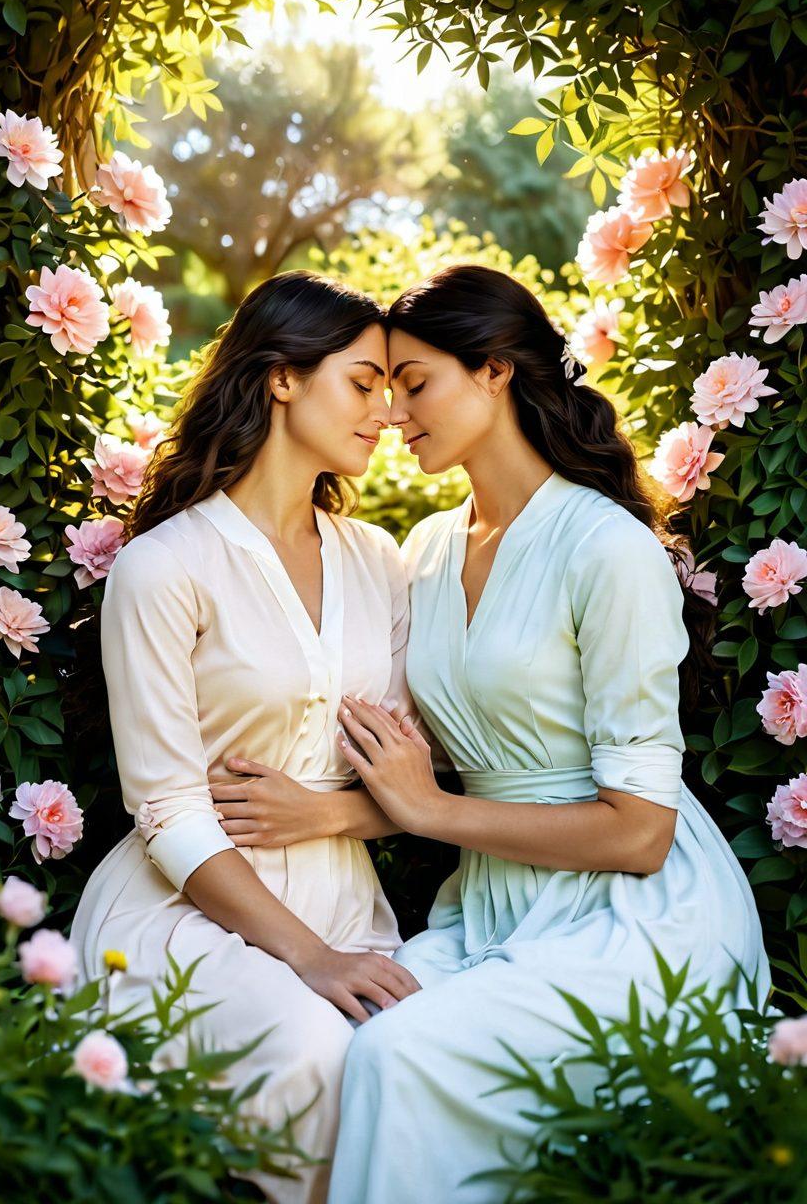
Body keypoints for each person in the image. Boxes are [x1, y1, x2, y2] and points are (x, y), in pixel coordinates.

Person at [325, 263, 772, 1204]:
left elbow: (640, 833)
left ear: (494, 371)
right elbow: (444, 769)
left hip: (630, 921)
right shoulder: (430, 549)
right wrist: (316, 812)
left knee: (401, 1055)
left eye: (417, 382)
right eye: (387, 387)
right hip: (485, 908)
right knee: (337, 1041)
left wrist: (431, 811)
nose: (397, 412)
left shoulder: (607, 548)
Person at [69, 271, 421, 1204]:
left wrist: (326, 813)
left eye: (394, 387)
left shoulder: (378, 562)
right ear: (281, 378)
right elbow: (167, 809)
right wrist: (309, 957)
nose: (386, 412)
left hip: (349, 907)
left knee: (420, 1067)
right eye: (363, 381)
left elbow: (417, 785)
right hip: (190, 915)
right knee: (318, 1054)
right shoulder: (164, 566)